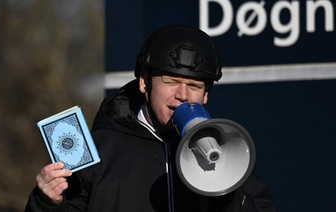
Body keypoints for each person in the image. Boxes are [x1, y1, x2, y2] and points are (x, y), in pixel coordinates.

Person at [25, 24, 277, 212]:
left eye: (195, 86)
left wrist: (226, 190)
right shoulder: (97, 148)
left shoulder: (228, 148)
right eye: (171, 82)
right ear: (145, 82)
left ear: (206, 95)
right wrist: (47, 203)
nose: (182, 95)